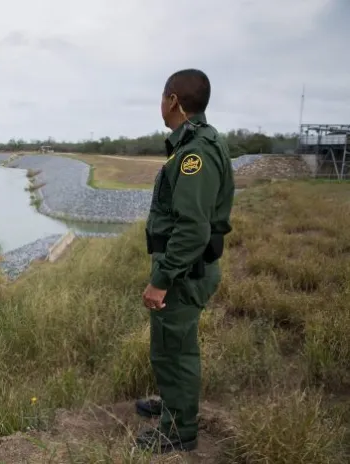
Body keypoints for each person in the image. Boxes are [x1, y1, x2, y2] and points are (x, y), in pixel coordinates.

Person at [135, 69, 235, 453]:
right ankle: (173, 405)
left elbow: (192, 228)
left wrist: (161, 278)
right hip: (185, 268)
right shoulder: (195, 143)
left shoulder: (195, 152)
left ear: (174, 100)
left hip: (183, 272)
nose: (160, 104)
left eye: (162, 97)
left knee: (174, 350)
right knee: (171, 346)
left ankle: (179, 430)